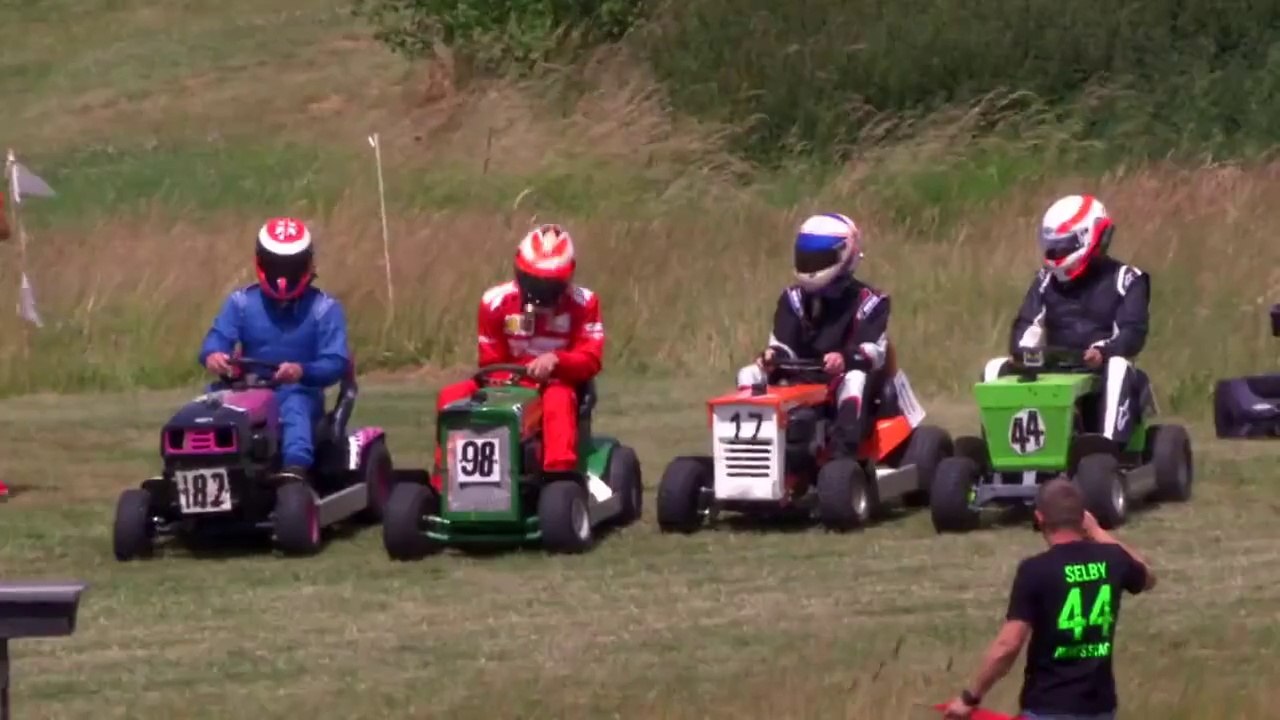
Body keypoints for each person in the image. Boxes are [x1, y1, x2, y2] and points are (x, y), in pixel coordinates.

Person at [942, 477, 1157, 720]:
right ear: (1083, 517)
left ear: (1040, 518)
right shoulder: (1114, 559)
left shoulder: (1036, 570)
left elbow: (1008, 645)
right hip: (1100, 707)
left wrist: (969, 698)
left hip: (1048, 706)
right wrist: (1098, 532)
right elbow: (1147, 576)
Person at [430, 224, 604, 484]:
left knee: (557, 399)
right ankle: (445, 482)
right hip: (505, 383)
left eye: (549, 284)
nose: (540, 291)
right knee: (451, 396)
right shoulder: (494, 302)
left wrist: (557, 360)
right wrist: (512, 381)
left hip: (559, 383)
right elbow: (490, 360)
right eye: (534, 281)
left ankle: (558, 481)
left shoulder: (585, 303)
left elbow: (590, 358)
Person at [983, 195, 1152, 450]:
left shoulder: (1127, 279)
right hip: (1052, 367)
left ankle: (1106, 450)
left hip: (1100, 371)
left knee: (1118, 367)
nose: (1057, 254)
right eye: (1053, 246)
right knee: (994, 368)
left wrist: (1103, 351)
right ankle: (996, 454)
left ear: (1093, 238)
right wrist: (1023, 352)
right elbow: (1026, 326)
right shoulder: (1044, 280)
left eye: (1064, 246)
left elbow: (1133, 331)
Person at [197, 217, 351, 484]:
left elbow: (336, 361)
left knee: (294, 404)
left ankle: (295, 469)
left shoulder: (324, 308)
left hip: (299, 390)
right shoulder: (242, 302)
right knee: (208, 402)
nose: (283, 275)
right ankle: (198, 466)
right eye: (276, 265)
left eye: (290, 266)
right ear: (262, 262)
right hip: (246, 389)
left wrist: (302, 371)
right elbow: (217, 338)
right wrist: (214, 356)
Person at [736, 212, 892, 459]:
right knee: (748, 373)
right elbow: (783, 344)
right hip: (800, 377)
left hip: (844, 378)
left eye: (819, 258)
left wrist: (844, 358)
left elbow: (875, 352)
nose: (811, 264)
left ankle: (842, 459)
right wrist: (771, 356)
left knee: (854, 379)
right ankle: (750, 454)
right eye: (807, 257)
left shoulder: (872, 302)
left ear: (845, 255)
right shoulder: (793, 299)